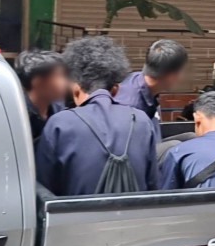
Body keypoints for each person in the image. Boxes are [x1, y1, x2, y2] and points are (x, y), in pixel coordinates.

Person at [35, 37, 160, 196]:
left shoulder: (59, 124)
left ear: (75, 89)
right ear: (115, 89)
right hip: (134, 212)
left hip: (76, 212)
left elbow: (44, 190)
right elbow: (153, 185)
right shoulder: (141, 121)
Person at [116, 39, 188, 140]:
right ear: (171, 75)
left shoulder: (137, 79)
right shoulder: (132, 107)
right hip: (135, 146)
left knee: (190, 137)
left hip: (149, 139)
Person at [14, 50, 68, 143]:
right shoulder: (17, 115)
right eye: (59, 76)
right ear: (37, 81)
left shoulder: (60, 110)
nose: (66, 82)